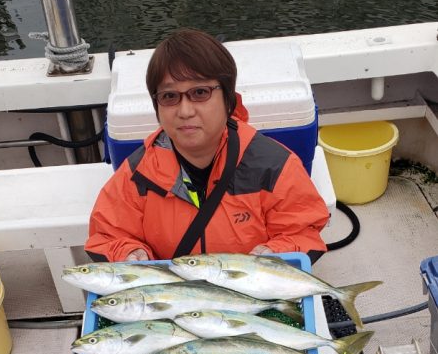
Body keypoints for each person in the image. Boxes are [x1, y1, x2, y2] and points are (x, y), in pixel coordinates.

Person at [85, 28, 329, 263]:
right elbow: (107, 236)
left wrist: (274, 254)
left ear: (229, 100)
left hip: (251, 288)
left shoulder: (274, 167)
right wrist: (130, 252)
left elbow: (302, 233)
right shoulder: (137, 174)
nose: (185, 111)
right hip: (173, 290)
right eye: (169, 96)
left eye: (200, 92)